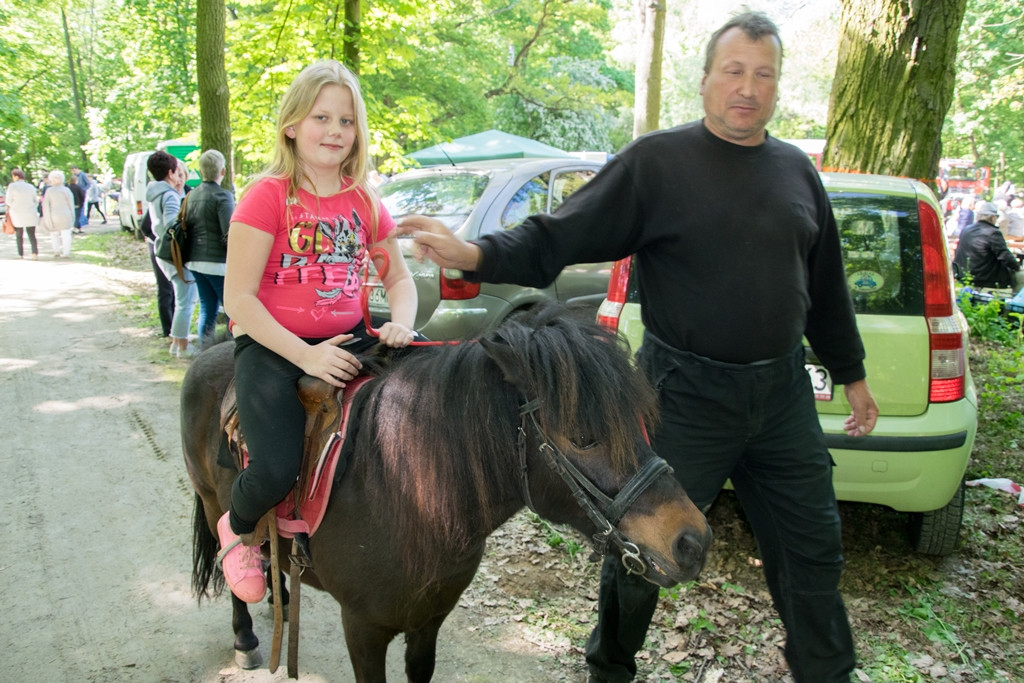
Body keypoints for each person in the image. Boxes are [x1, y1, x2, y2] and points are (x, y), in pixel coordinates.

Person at [399, 11, 878, 683]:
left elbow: (824, 289)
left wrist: (850, 373)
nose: (747, 87)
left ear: (776, 86)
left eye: (763, 74)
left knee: (814, 547)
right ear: (707, 80)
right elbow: (563, 233)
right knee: (638, 549)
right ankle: (611, 668)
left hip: (781, 399)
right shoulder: (658, 164)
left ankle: (826, 672)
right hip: (683, 394)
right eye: (734, 71)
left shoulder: (796, 171)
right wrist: (477, 252)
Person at [218, 60, 418, 603]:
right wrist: (305, 358)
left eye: (347, 121)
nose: (335, 131)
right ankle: (236, 530)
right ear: (291, 125)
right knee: (278, 464)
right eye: (321, 117)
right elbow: (239, 299)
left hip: (352, 336)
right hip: (272, 345)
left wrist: (402, 321)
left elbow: (397, 276)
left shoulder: (364, 201)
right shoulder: (267, 196)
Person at [146, 152, 199, 357]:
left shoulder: (157, 192)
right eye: (177, 171)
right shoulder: (168, 195)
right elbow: (172, 226)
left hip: (164, 252)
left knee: (181, 299)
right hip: (175, 255)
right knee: (186, 301)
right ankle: (182, 347)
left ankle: (177, 342)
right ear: (170, 172)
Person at [184, 149, 235, 348]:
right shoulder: (223, 196)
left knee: (207, 307)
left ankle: (204, 351)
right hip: (217, 264)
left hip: (195, 261)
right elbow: (229, 233)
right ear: (222, 171)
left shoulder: (191, 195)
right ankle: (229, 352)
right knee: (233, 309)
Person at [953, 201, 1023, 292]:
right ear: (993, 217)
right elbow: (1004, 256)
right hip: (985, 277)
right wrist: (1018, 267)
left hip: (964, 273)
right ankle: (1016, 303)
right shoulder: (993, 232)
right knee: (1021, 276)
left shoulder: (966, 229)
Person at [39, 170, 76, 258]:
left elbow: (46, 205)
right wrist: (73, 216)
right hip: (66, 215)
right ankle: (66, 252)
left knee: (54, 234)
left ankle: (56, 250)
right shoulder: (67, 190)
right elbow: (71, 204)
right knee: (66, 234)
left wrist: (46, 217)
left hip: (54, 215)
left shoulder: (49, 191)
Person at [6, 169, 40, 260]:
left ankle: (20, 253)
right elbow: (35, 200)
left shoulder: (12, 186)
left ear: (16, 176)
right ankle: (34, 253)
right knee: (32, 234)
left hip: (17, 213)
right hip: (30, 212)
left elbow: (8, 200)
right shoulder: (30, 186)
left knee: (19, 234)